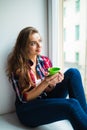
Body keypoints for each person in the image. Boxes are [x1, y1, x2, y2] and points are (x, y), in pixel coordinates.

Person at [6, 26, 87, 130]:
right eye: (33, 43)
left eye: (39, 41)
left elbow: (48, 90)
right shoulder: (18, 67)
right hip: (28, 109)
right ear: (24, 47)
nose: (39, 45)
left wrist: (54, 83)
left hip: (45, 99)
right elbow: (24, 98)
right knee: (71, 104)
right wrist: (46, 81)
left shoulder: (44, 61)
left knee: (73, 73)